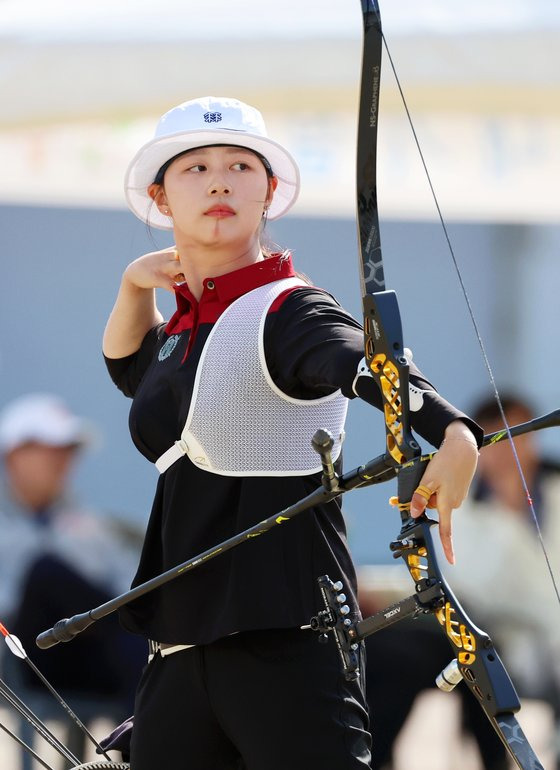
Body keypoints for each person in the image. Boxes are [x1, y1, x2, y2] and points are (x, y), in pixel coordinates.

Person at [102, 95, 481, 770]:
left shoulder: (290, 308)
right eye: (195, 168)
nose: (220, 181)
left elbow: (364, 363)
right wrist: (136, 284)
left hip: (287, 636)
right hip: (182, 650)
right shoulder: (185, 330)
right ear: (160, 197)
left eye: (241, 166)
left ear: (269, 192)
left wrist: (452, 429)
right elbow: (131, 369)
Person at [361, 393, 560, 770]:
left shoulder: (555, 490)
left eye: (519, 435)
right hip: (506, 638)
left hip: (548, 640)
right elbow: (456, 581)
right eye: (499, 440)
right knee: (404, 654)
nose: (510, 450)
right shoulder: (460, 504)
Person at [0, 393, 145, 760]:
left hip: (95, 659)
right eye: (51, 449)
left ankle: (149, 730)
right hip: (24, 660)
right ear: (15, 455)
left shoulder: (91, 528)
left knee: (140, 627)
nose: (63, 461)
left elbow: (132, 597)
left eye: (68, 450)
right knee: (45, 571)